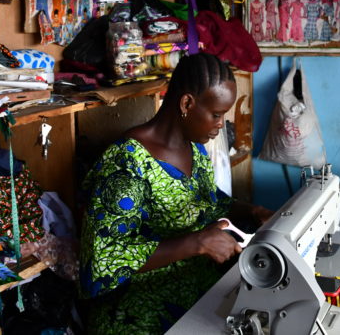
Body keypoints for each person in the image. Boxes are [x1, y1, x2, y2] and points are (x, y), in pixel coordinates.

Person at [79, 53, 273, 334]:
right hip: (139, 311)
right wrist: (197, 244)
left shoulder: (194, 147)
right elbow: (102, 261)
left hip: (195, 290)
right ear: (186, 104)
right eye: (216, 115)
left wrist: (252, 211)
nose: (221, 125)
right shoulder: (126, 164)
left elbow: (208, 200)